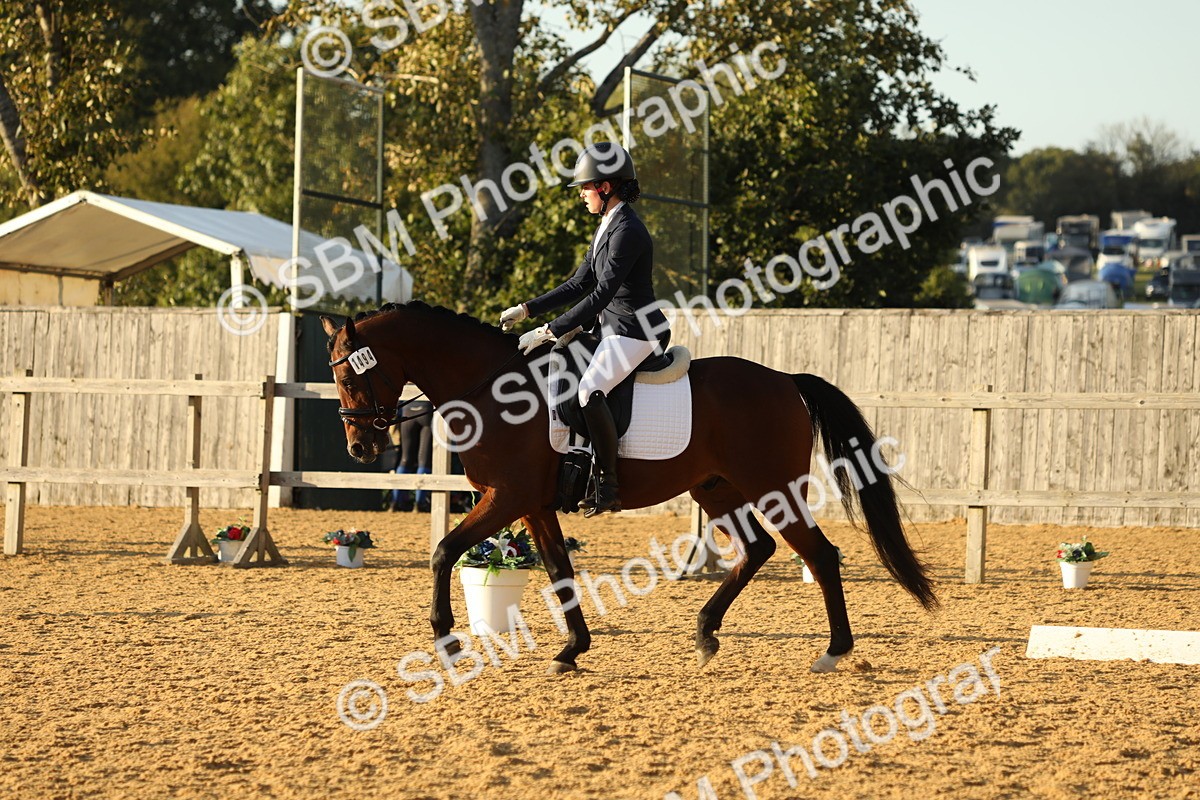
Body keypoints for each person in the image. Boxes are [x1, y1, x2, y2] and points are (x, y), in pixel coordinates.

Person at [500, 141, 670, 517]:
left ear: (606, 187)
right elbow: (578, 283)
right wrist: (527, 309)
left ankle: (608, 485)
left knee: (590, 389)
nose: (581, 194)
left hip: (636, 330)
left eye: (586, 187)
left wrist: (549, 329)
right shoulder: (606, 226)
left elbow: (602, 293)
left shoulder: (628, 231)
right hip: (611, 328)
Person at [387, 401, 432, 512]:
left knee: (405, 459)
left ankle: (396, 501)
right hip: (427, 410)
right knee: (424, 460)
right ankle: (419, 503)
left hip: (407, 410)